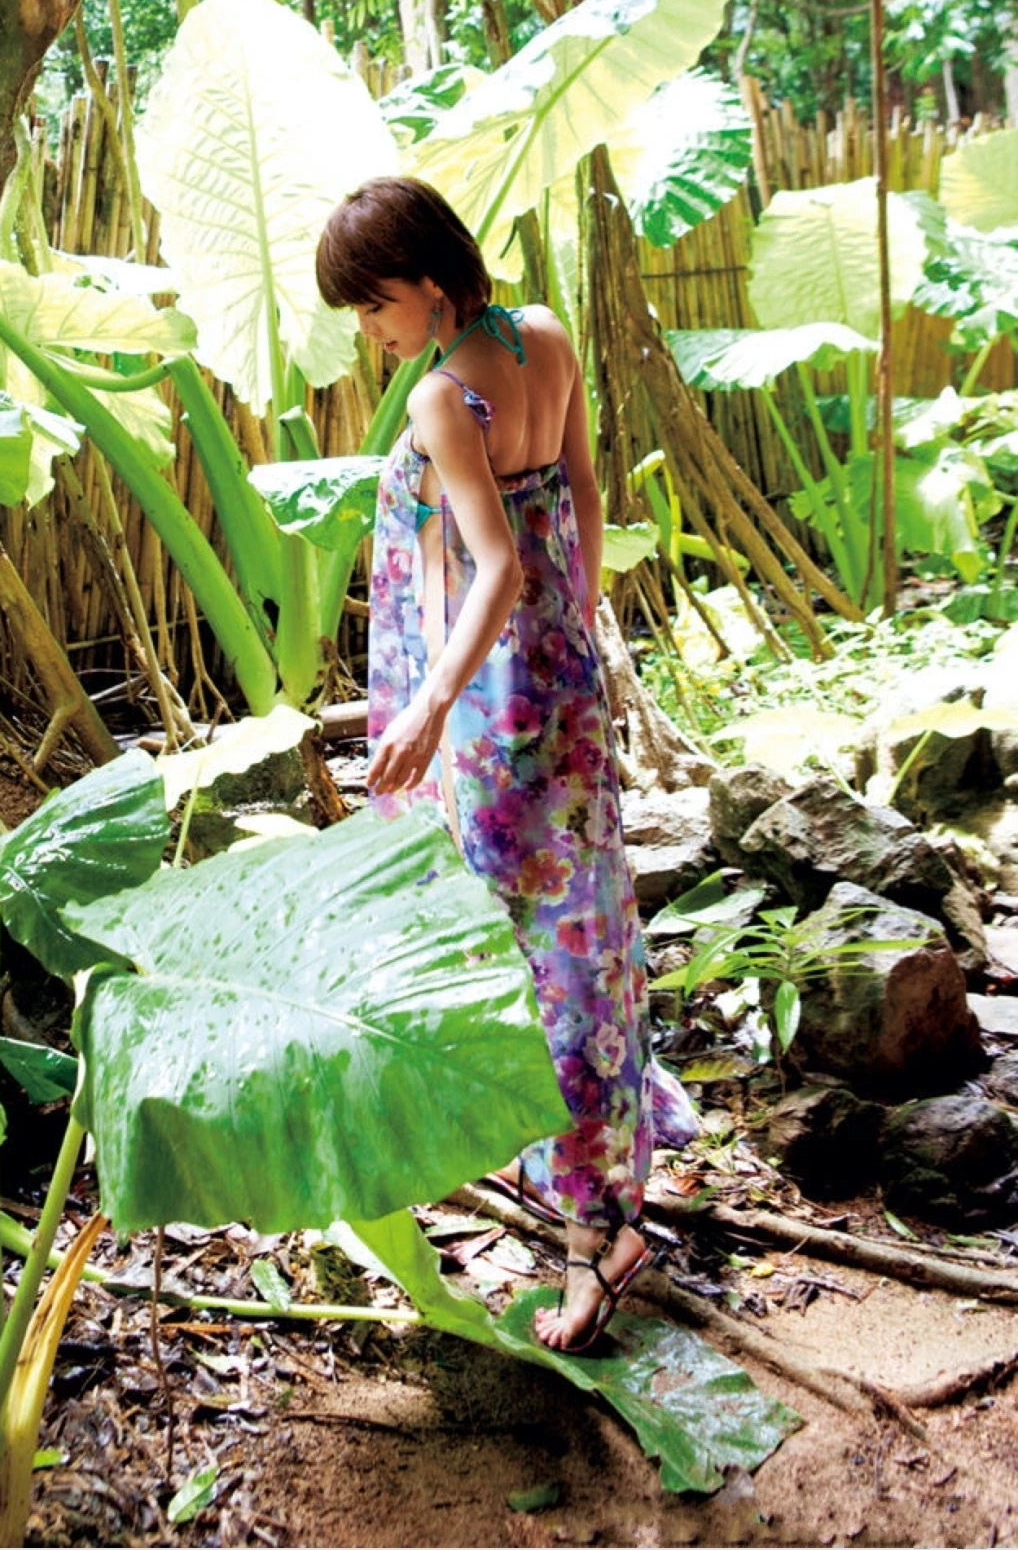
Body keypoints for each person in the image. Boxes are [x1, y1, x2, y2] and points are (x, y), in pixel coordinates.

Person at [315, 174, 697, 1352]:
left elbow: (493, 566)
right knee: (582, 925)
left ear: (427, 287)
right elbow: (576, 494)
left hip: (490, 701)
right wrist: (577, 635)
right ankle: (599, 1151)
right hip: (559, 683)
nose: (367, 333)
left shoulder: (442, 399)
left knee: (529, 942)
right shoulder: (542, 338)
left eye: (372, 306)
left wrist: (433, 706)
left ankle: (593, 1238)